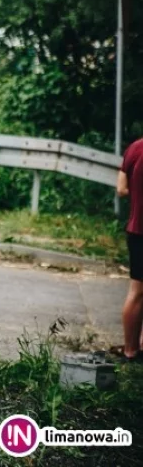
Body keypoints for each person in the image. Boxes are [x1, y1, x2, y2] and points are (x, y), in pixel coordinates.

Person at [117, 136, 143, 363]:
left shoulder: (135, 147)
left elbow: (121, 189)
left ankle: (130, 350)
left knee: (136, 291)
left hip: (136, 229)